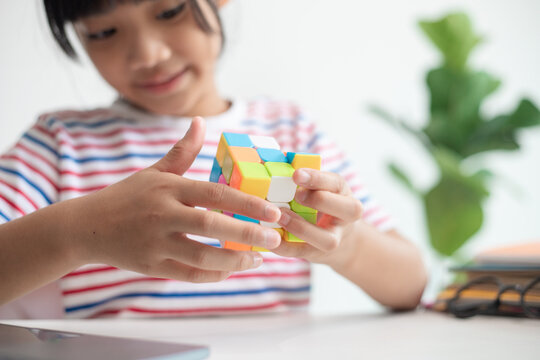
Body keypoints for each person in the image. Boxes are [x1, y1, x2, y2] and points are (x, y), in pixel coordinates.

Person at [0, 0, 426, 319]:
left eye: (168, 11)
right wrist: (81, 232)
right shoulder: (60, 142)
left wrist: (345, 247)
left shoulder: (290, 129)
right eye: (103, 32)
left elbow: (411, 285)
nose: (147, 54)